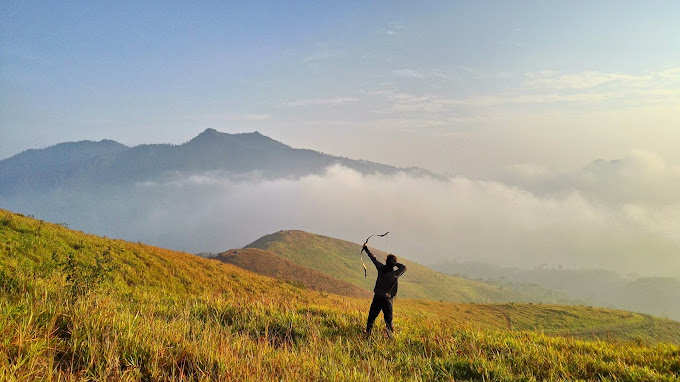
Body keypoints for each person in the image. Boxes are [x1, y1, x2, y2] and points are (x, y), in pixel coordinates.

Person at [363, 243, 407, 337]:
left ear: (386, 262)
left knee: (372, 316)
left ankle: (368, 333)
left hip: (378, 297)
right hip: (388, 300)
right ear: (393, 264)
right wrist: (395, 264)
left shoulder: (380, 268)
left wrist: (366, 248)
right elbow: (404, 267)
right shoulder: (395, 274)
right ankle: (390, 336)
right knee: (388, 320)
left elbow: (373, 258)